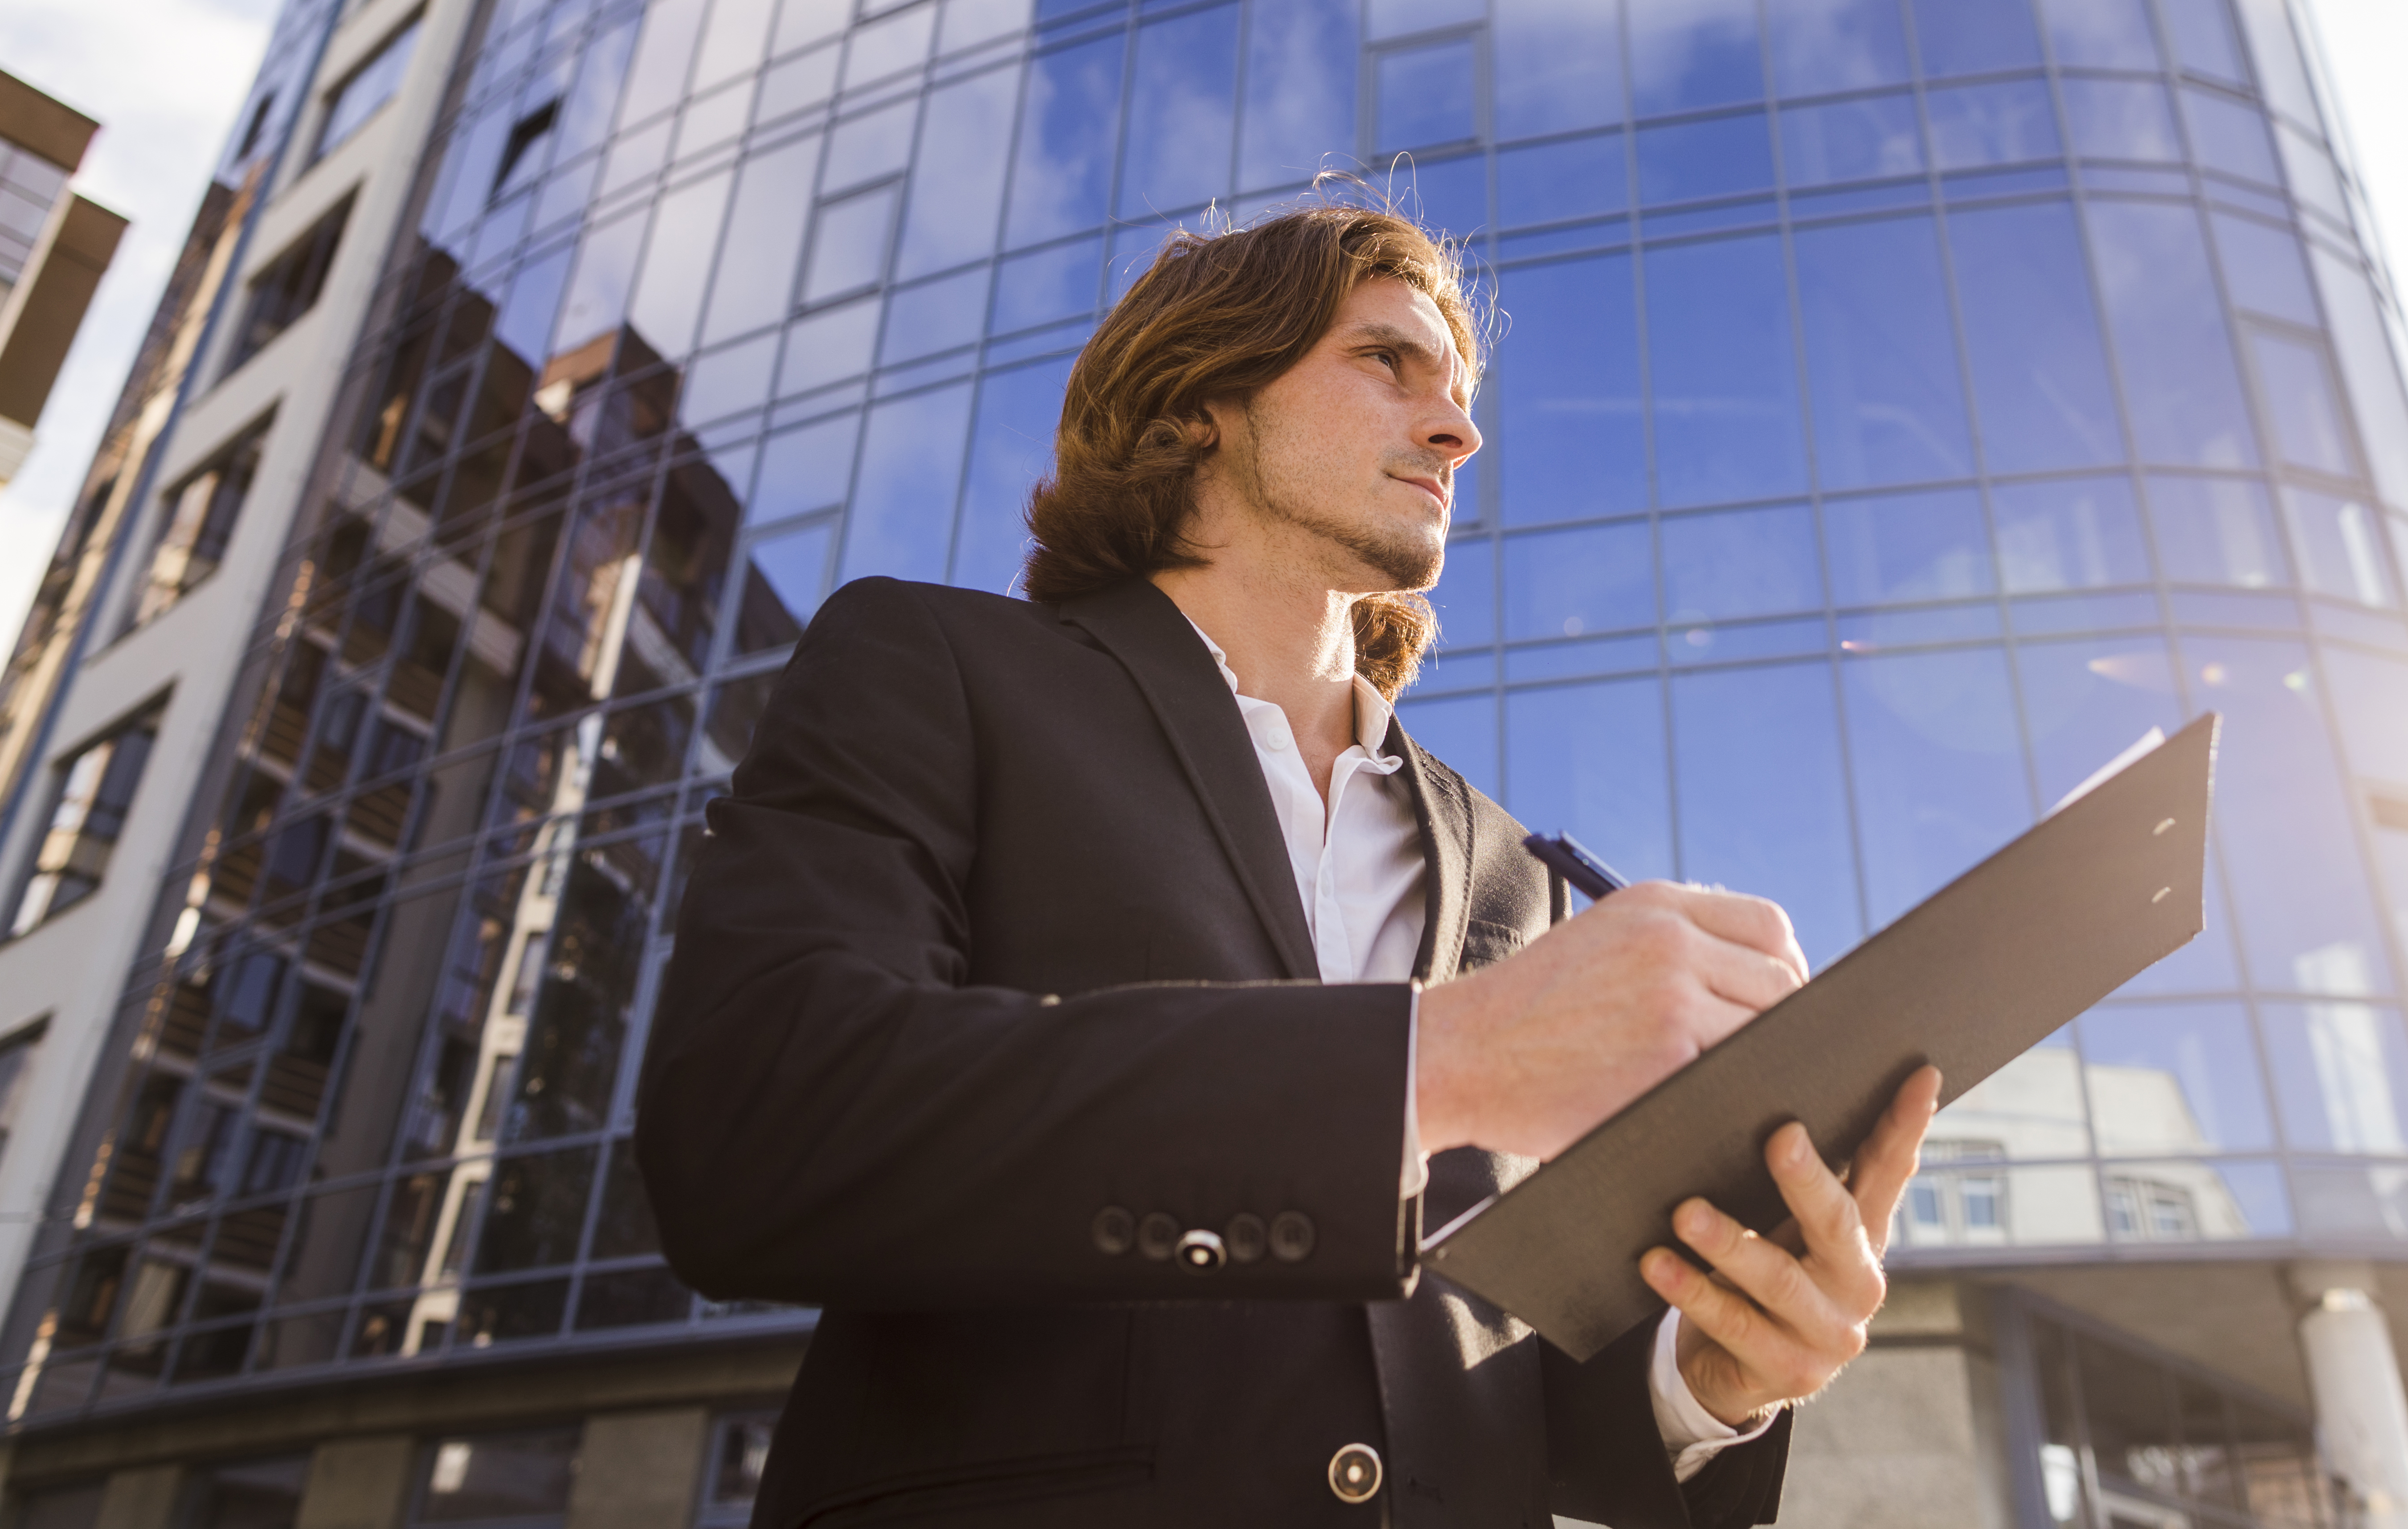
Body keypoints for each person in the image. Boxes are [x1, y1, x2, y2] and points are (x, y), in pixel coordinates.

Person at [638, 202, 1940, 1529]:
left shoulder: (1514, 873)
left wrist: (1706, 1376)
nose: (1458, 430)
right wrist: (1443, 1063)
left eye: (1460, 390)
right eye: (1389, 363)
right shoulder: (938, 669)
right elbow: (762, 1122)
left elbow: (1490, 1381)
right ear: (1201, 396)